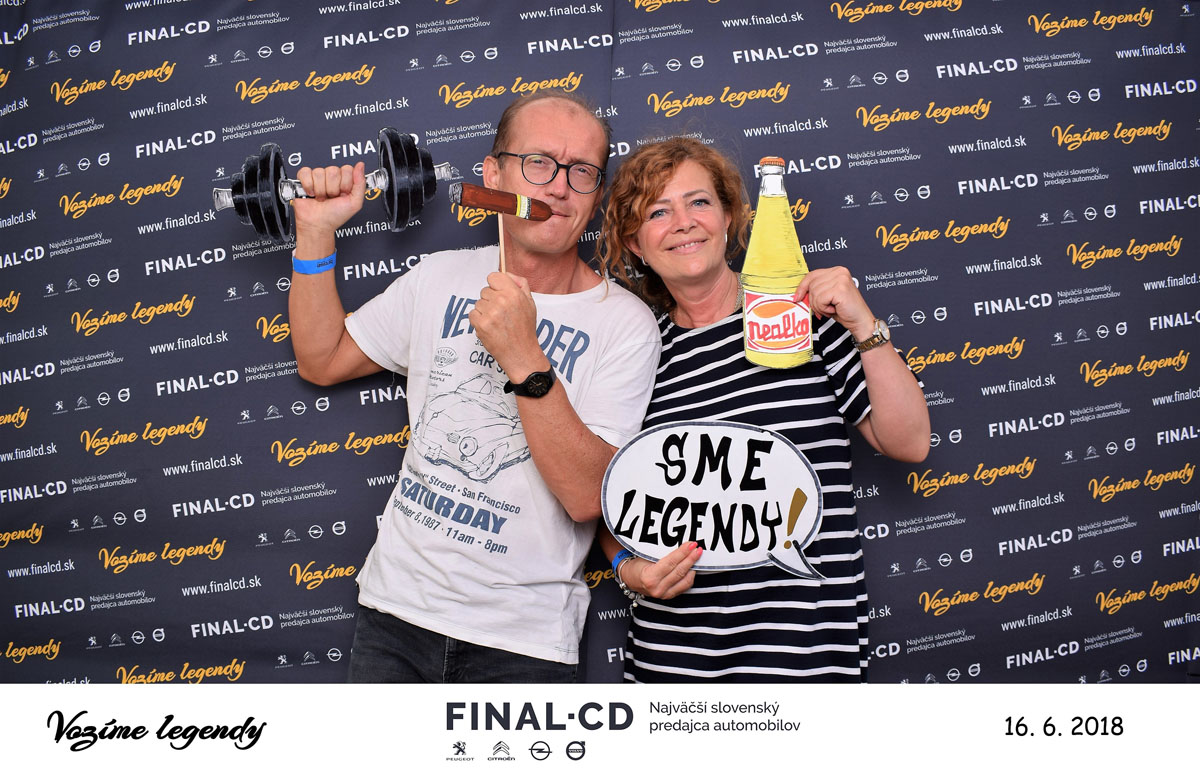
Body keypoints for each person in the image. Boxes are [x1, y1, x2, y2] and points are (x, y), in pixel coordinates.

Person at [287, 90, 660, 682]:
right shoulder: (440, 276)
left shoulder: (625, 324)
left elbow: (588, 496)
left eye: (582, 171)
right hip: (395, 615)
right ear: (493, 174)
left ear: (596, 194)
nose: (559, 187)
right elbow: (321, 359)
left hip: (524, 641)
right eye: (538, 163)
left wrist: (523, 354)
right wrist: (315, 233)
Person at [595, 137, 930, 682]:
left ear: (729, 216)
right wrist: (625, 567)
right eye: (658, 212)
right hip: (671, 664)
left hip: (805, 657)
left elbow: (909, 443)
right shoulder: (636, 351)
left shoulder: (801, 316)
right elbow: (601, 493)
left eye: (699, 202)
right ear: (634, 243)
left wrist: (863, 324)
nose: (683, 223)